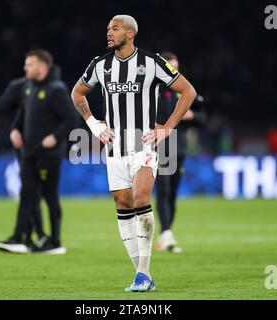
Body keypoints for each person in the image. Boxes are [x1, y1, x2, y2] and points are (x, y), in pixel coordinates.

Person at [71, 15, 197, 292]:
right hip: (114, 147)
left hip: (144, 145)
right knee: (122, 204)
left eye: (114, 29)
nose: (108, 33)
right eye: (107, 29)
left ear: (130, 33)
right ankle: (142, 274)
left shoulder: (151, 62)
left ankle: (143, 272)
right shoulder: (99, 65)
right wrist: (93, 125)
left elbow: (187, 91)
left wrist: (167, 128)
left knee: (141, 198)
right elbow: (77, 93)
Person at [0, 49, 79, 254]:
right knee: (26, 196)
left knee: (49, 196)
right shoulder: (27, 88)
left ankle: (55, 241)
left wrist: (55, 137)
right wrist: (14, 129)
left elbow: (72, 119)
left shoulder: (56, 89)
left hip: (48, 155)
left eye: (29, 64)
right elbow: (23, 115)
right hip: (28, 153)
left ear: (42, 67)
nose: (25, 67)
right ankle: (19, 238)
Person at [154, 51, 203, 253]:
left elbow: (202, 119)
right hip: (160, 146)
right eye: (170, 66)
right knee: (163, 190)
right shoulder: (153, 89)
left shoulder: (183, 91)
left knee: (173, 193)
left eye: (175, 66)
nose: (174, 71)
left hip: (179, 147)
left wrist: (191, 115)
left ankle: (166, 232)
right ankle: (166, 232)